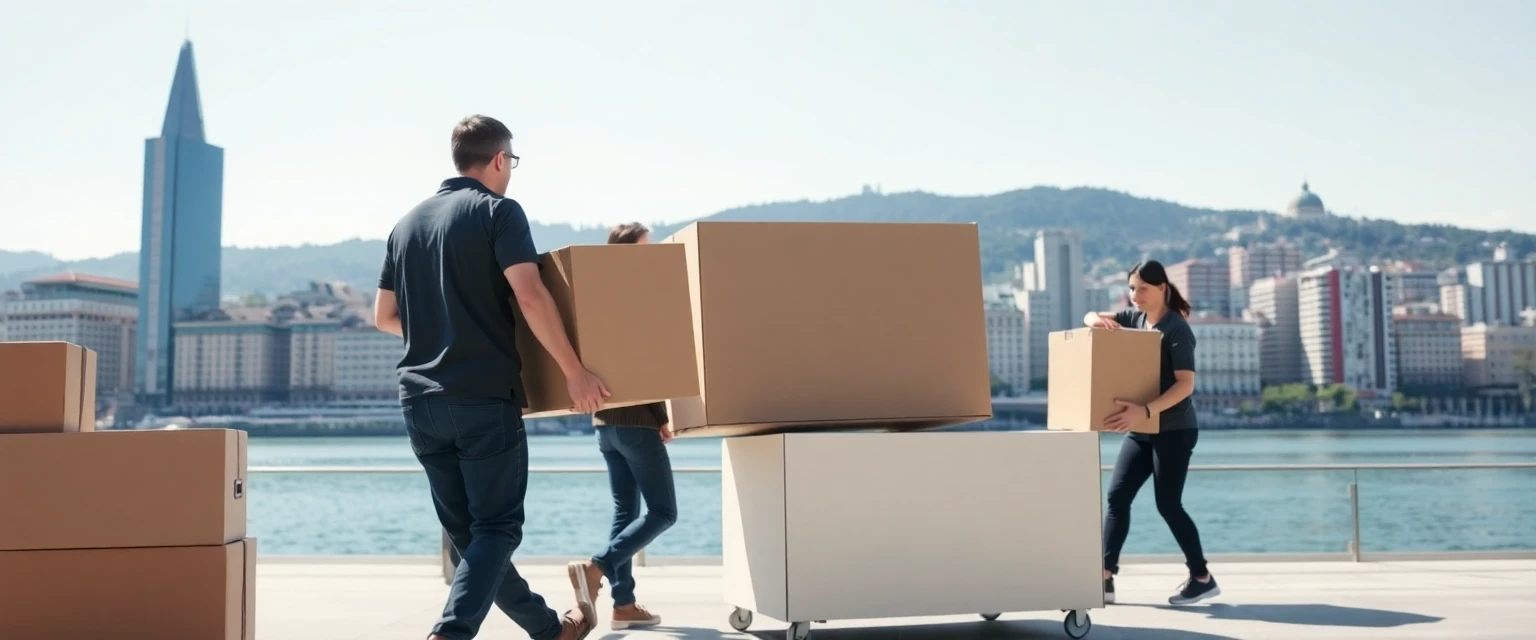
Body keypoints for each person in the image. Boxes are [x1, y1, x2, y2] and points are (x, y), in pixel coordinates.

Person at [375, 114, 610, 640]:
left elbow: (384, 317)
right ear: (500, 159)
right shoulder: (498, 212)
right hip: (480, 395)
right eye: (513, 162)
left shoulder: (405, 225)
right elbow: (530, 294)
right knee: (497, 529)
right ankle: (450, 633)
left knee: (473, 538)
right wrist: (574, 372)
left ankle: (551, 631)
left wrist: (439, 331)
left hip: (418, 401)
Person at [1083, 259, 1219, 607]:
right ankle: (1104, 577)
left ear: (1163, 289)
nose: (1135, 295)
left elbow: (1186, 385)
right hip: (1142, 427)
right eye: (1131, 288)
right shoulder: (1136, 319)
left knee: (1168, 505)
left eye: (1142, 289)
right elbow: (1091, 316)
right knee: (1117, 497)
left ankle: (1202, 577)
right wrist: (1095, 321)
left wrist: (1144, 410)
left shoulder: (1176, 329)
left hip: (1174, 429)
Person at [566, 223, 679, 631]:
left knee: (625, 512)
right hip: (635, 423)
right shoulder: (638, 301)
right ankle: (595, 569)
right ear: (625, 253)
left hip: (605, 425)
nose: (651, 256)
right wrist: (662, 420)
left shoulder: (598, 301)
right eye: (645, 249)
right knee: (664, 512)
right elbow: (643, 370)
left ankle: (624, 604)